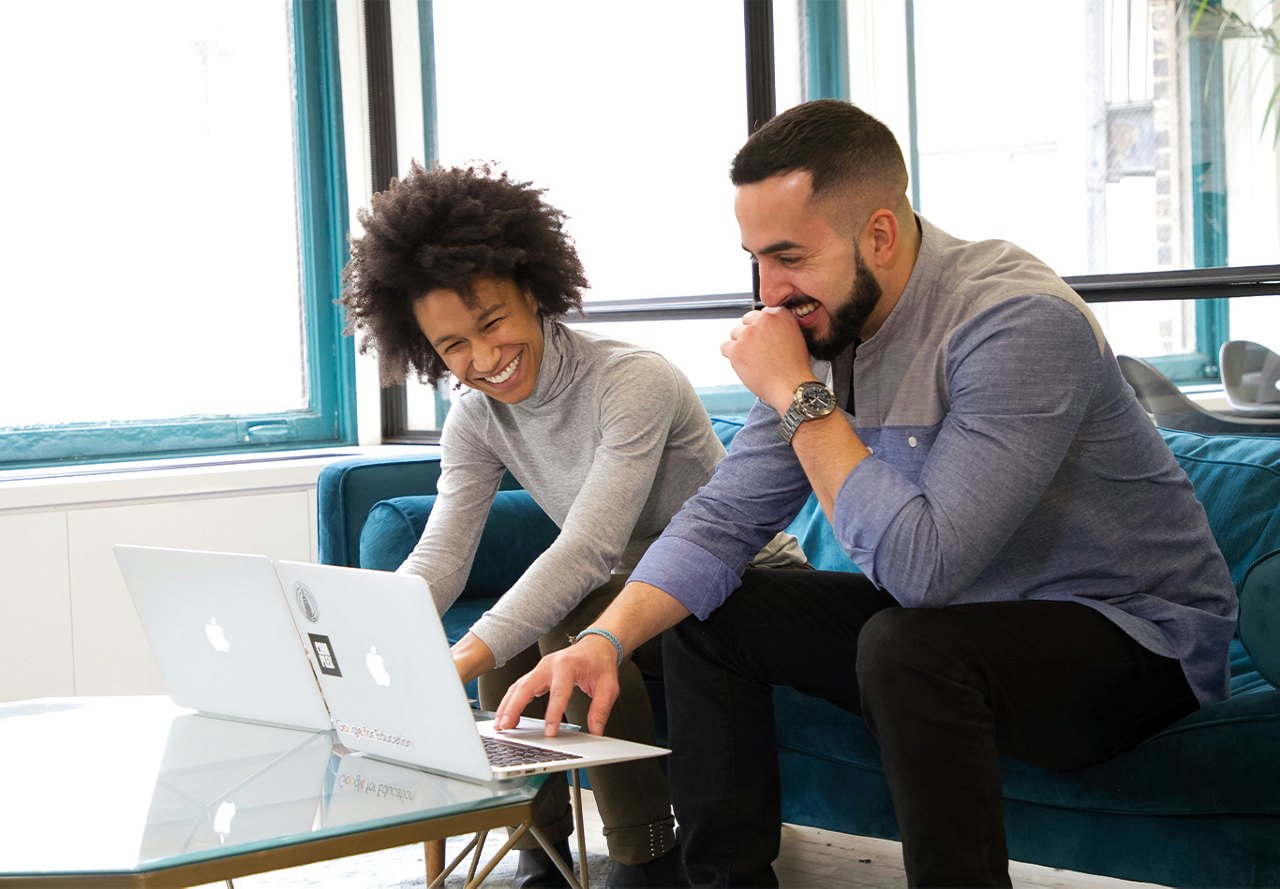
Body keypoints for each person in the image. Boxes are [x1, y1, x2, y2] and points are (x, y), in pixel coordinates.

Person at [494, 100, 1238, 887]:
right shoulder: (821, 329)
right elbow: (720, 520)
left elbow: (924, 571)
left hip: (1134, 642)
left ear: (879, 233)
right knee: (713, 616)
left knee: (905, 644)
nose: (770, 291)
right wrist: (603, 642)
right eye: (755, 259)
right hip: (959, 624)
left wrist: (796, 395)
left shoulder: (1016, 321)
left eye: (790, 257)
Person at [339, 161, 802, 888]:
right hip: (635, 604)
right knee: (531, 632)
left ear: (534, 292)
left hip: (744, 588)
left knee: (566, 617)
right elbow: (441, 556)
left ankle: (645, 857)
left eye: (492, 322)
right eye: (455, 345)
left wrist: (458, 659)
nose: (484, 358)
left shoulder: (632, 381)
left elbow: (589, 549)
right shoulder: (475, 418)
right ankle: (538, 845)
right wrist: (367, 633)